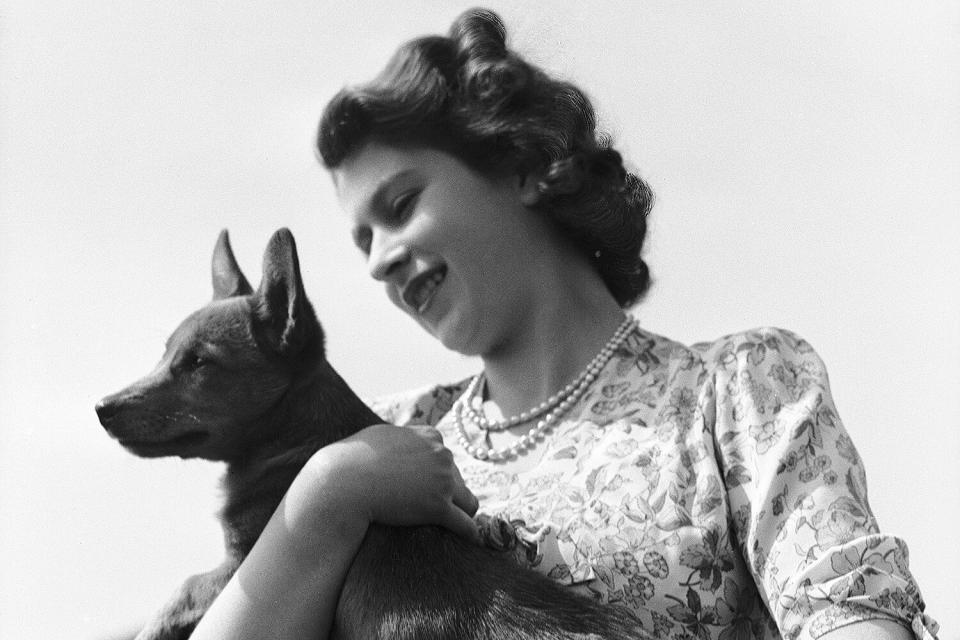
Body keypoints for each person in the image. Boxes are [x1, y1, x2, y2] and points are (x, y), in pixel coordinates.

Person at [191, 8, 939, 640]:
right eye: (362, 243)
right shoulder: (378, 440)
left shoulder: (736, 391)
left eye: (400, 206)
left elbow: (852, 619)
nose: (380, 261)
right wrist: (327, 491)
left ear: (519, 165)